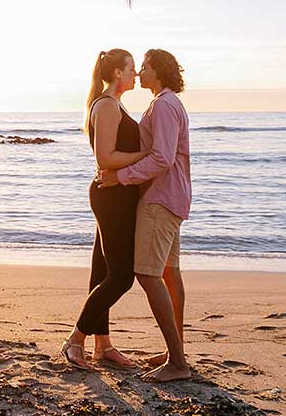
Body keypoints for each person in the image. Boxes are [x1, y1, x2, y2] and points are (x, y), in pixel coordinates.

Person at [97, 48, 192, 382]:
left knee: (148, 275)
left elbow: (162, 158)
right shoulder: (166, 103)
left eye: (146, 67)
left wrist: (119, 177)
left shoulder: (164, 105)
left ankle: (178, 363)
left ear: (160, 72)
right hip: (171, 197)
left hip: (159, 199)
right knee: (169, 273)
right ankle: (175, 351)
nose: (139, 72)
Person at [61, 49, 148, 370]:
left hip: (117, 195)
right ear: (116, 74)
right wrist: (146, 154)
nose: (136, 74)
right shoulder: (108, 106)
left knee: (102, 272)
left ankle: (103, 345)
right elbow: (105, 159)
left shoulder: (113, 103)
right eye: (131, 69)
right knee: (122, 277)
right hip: (111, 197)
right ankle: (74, 341)